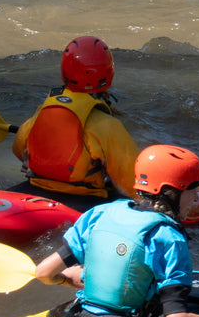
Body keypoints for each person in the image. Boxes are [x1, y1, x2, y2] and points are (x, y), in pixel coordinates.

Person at [33, 144, 199, 317]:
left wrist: (90, 280)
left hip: (79, 315)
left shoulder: (100, 213)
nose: (196, 199)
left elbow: (44, 273)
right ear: (171, 193)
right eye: (192, 191)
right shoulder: (168, 237)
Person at [10, 35, 139, 201]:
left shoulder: (44, 111)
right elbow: (132, 184)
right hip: (84, 198)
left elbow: (18, 148)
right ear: (108, 75)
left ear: (64, 72)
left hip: (39, 186)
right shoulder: (108, 125)